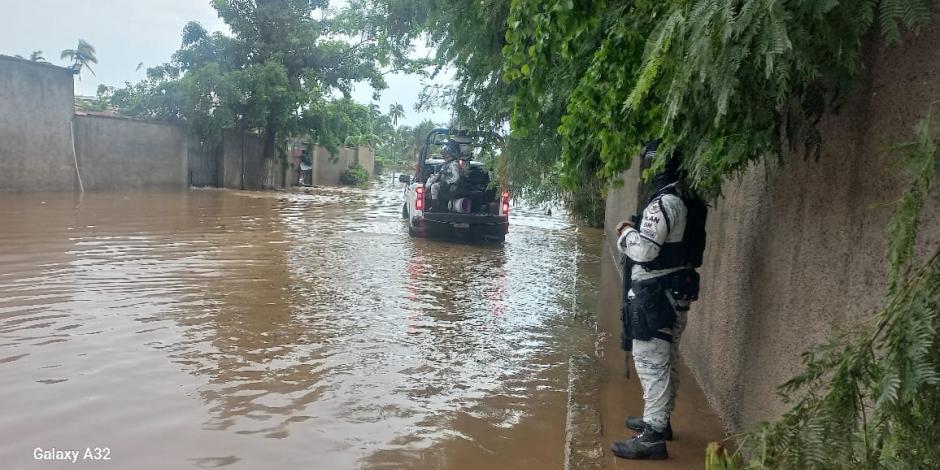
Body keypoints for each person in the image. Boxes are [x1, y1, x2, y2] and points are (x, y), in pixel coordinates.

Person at [610, 140, 704, 460]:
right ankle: (658, 423)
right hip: (674, 291)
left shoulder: (664, 202)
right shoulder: (686, 200)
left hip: (658, 295)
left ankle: (651, 436)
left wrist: (624, 231)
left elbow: (645, 250)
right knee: (666, 358)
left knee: (651, 361)